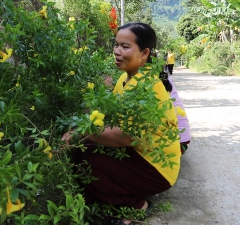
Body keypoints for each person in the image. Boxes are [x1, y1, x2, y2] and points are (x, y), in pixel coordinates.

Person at [62, 23, 181, 225]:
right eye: (116, 45)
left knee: (86, 156)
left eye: (125, 47)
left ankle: (135, 205)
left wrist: (82, 132)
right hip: (140, 155)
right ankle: (104, 201)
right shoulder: (127, 78)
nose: (117, 51)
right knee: (83, 148)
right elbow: (108, 114)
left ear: (144, 53)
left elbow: (126, 136)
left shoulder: (147, 85)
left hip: (156, 170)